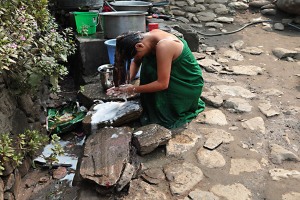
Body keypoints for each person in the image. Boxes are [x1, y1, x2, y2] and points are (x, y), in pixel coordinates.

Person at [108, 29, 205, 129]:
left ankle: (178, 106)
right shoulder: (145, 40)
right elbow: (136, 62)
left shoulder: (165, 46)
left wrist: (132, 89)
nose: (136, 57)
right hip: (169, 76)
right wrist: (124, 84)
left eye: (135, 55)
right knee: (148, 66)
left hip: (186, 83)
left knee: (163, 118)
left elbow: (162, 84)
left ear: (139, 46)